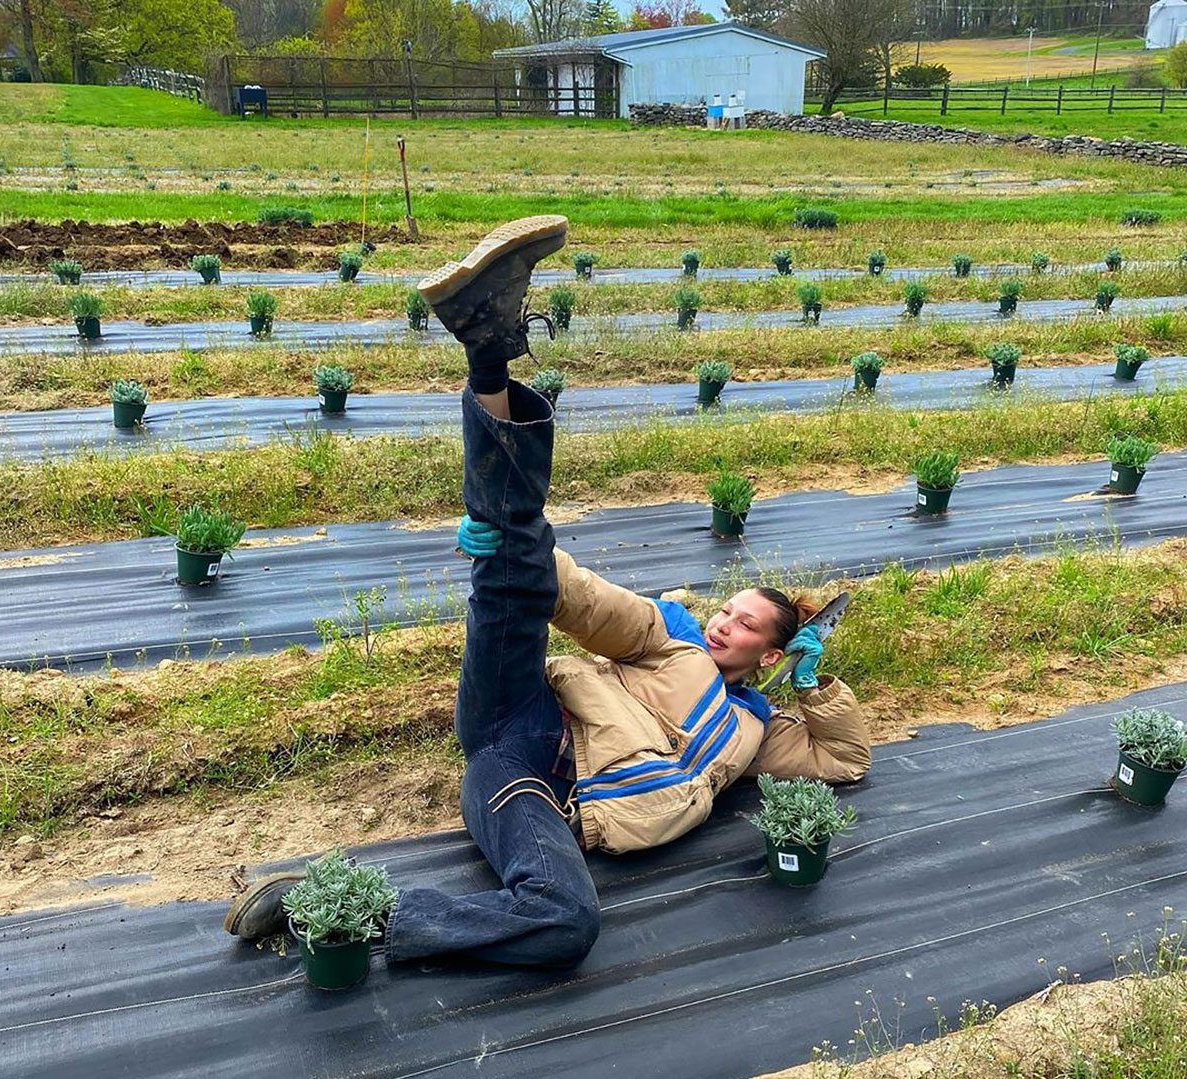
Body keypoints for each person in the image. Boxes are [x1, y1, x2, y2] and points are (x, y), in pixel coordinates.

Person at [224, 216, 871, 967]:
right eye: (729, 609)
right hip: (526, 724)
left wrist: (815, 679)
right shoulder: (675, 635)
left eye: (747, 624)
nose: (725, 622)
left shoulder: (758, 732)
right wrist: (518, 553)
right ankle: (487, 351)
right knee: (521, 557)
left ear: (771, 653)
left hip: (541, 798)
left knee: (568, 921)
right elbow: (593, 604)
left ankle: (328, 908)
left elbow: (847, 757)